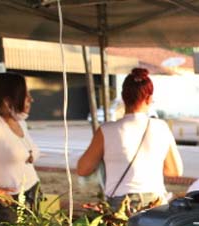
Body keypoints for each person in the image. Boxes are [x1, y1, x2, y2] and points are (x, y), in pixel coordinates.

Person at [77, 68, 183, 213]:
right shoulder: (161, 127)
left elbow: (83, 169)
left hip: (120, 207)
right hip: (154, 204)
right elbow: (175, 171)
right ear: (149, 98)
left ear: (123, 97)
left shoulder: (106, 130)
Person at [0, 72, 40, 223]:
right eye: (25, 96)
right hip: (6, 205)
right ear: (7, 101)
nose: (31, 100)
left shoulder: (20, 123)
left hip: (30, 194)